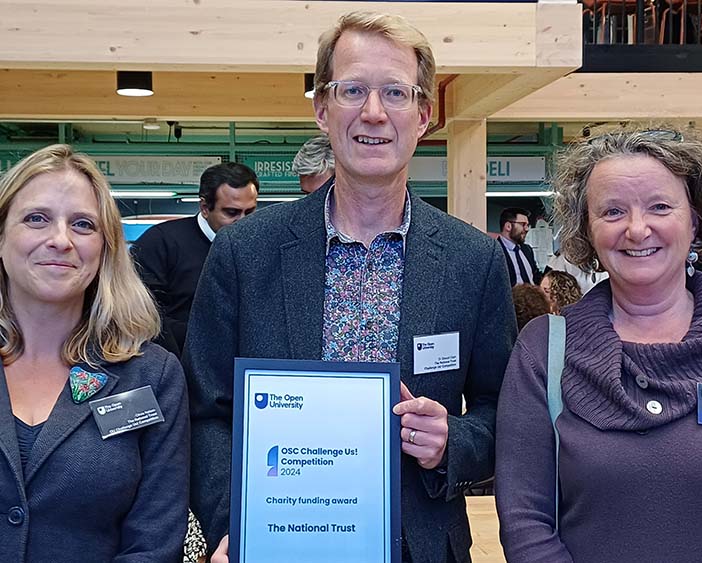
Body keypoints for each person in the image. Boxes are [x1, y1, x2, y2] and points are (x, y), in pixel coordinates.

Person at [185, 11, 515, 563]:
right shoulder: (246, 252)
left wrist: (453, 442)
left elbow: (501, 409)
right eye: (352, 90)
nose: (374, 112)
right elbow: (207, 413)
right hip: (278, 543)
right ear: (321, 107)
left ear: (425, 115)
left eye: (396, 92)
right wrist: (236, 525)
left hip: (421, 546)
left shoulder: (472, 260)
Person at [495, 127, 702, 563]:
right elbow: (525, 519)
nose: (636, 229)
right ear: (587, 231)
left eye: (660, 207)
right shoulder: (545, 351)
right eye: (612, 211)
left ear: (696, 219)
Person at [0, 144, 189, 562]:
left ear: (105, 248)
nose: (61, 240)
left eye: (83, 225)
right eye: (36, 219)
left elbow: (154, 543)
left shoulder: (151, 377)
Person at [130, 162, 259, 356]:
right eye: (231, 212)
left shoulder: (259, 248)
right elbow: (142, 314)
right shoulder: (160, 243)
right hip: (178, 364)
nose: (243, 221)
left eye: (249, 212)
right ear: (205, 208)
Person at [498, 207, 542, 286]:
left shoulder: (527, 250)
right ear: (508, 226)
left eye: (527, 225)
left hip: (533, 296)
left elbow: (536, 276)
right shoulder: (495, 251)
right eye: (523, 224)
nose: (527, 229)